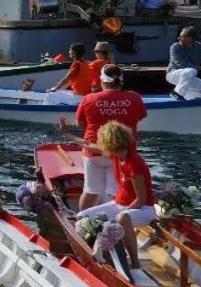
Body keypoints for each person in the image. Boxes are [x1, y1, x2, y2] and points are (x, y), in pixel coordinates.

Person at [58, 64, 147, 210]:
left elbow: (81, 124)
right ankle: (114, 220)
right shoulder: (134, 97)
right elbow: (140, 117)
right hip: (122, 153)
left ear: (102, 81)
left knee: (90, 190)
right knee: (116, 192)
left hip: (94, 150)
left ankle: (83, 219)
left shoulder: (89, 98)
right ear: (121, 81)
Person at [74, 120, 155, 271]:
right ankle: (98, 254)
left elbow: (141, 199)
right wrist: (66, 134)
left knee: (122, 218)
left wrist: (118, 215)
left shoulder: (134, 164)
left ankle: (135, 262)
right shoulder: (115, 155)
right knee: (81, 217)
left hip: (143, 209)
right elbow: (88, 144)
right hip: (120, 205)